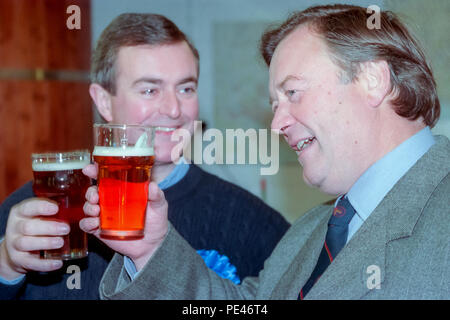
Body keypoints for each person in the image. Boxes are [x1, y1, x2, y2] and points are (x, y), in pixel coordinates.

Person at [84, 4, 449, 300]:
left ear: (373, 81)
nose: (276, 126)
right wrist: (151, 250)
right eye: (275, 103)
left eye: (293, 93)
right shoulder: (310, 231)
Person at [0, 13, 290, 299]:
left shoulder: (257, 224)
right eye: (150, 90)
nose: (174, 109)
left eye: (186, 88)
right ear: (103, 101)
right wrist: (5, 267)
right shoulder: (32, 215)